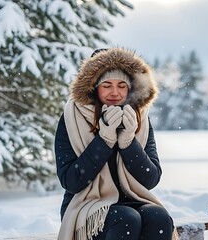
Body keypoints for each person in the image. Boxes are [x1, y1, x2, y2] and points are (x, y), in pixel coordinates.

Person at [54, 48, 177, 240]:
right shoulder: (72, 118)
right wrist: (104, 140)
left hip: (133, 201)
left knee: (158, 216)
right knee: (126, 219)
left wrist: (128, 143)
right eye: (106, 85)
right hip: (86, 206)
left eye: (121, 85)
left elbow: (150, 179)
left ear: (130, 88)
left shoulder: (139, 119)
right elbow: (71, 181)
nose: (115, 92)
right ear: (94, 87)